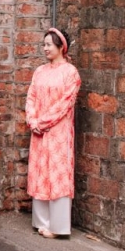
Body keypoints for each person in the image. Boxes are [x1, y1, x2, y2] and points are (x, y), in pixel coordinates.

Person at [25, 28, 81, 239]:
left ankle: (58, 227)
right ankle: (41, 221)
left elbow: (65, 103)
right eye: (44, 44)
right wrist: (32, 120)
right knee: (40, 171)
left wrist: (42, 122)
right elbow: (31, 97)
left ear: (61, 46)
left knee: (58, 174)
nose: (45, 48)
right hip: (38, 130)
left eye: (49, 44)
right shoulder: (39, 71)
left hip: (58, 132)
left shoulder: (71, 73)